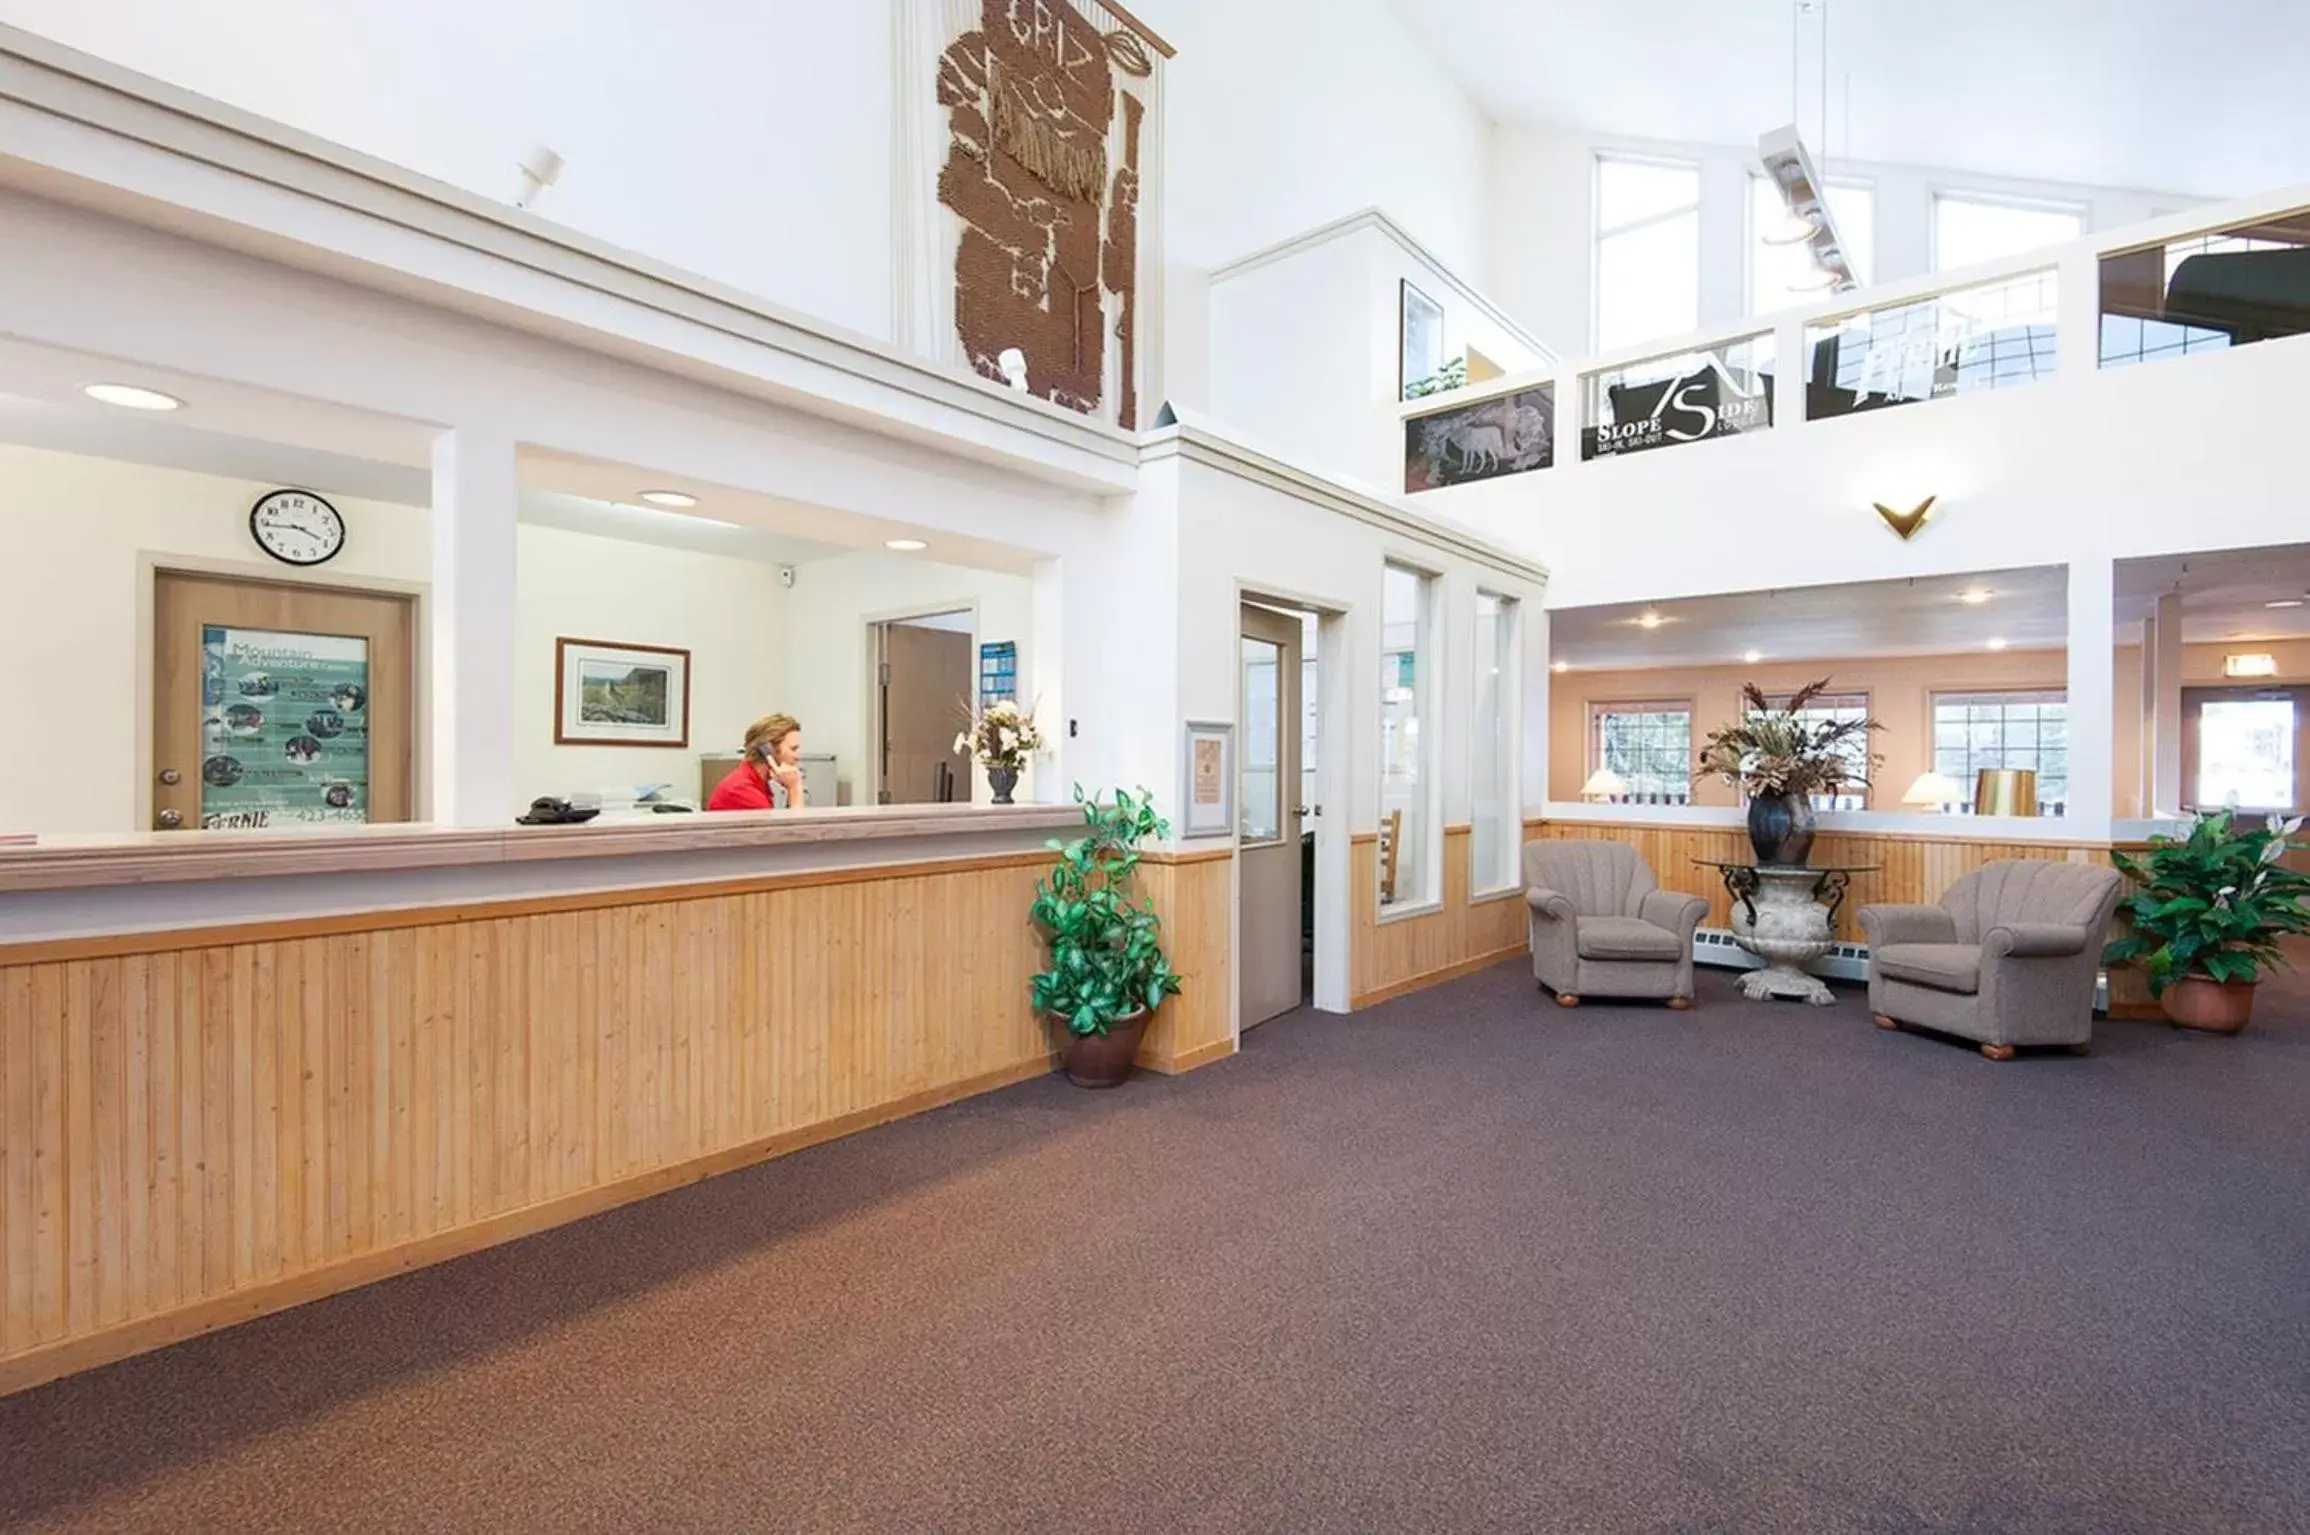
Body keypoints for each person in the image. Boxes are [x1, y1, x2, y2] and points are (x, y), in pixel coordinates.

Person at [707, 713, 807, 811]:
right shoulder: (741, 790)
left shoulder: (758, 785)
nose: (797, 757)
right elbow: (797, 827)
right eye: (793, 749)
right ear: (768, 750)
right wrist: (794, 788)